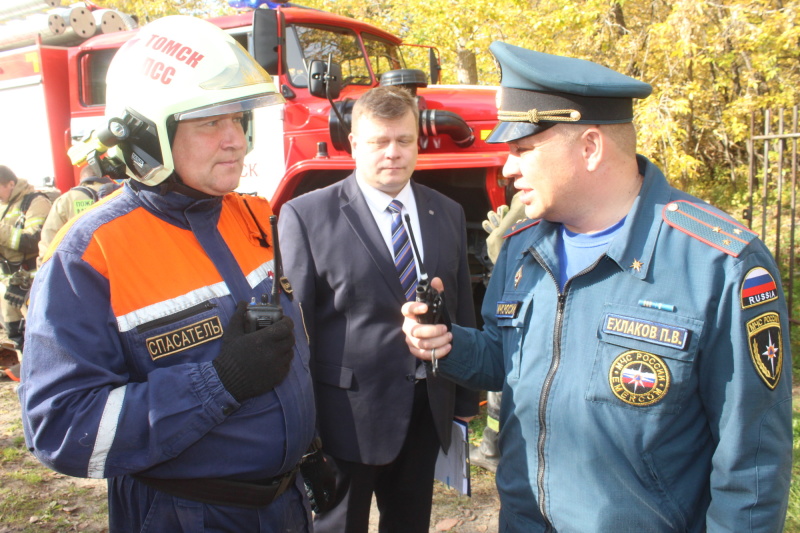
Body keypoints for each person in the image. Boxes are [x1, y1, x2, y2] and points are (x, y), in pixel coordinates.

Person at [402, 42, 792, 532]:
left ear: (590, 147)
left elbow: (751, 466)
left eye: (522, 150)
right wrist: (447, 342)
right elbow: (507, 362)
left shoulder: (719, 264)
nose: (507, 168)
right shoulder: (523, 247)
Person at [19, 16, 317, 532]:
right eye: (208, 123)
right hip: (185, 516)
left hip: (286, 506)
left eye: (238, 120)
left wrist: (309, 448)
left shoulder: (248, 212)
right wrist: (217, 382)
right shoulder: (91, 254)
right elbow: (61, 429)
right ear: (146, 136)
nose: (235, 142)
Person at [279, 85, 478, 533]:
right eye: (378, 142)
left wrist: (463, 401)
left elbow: (463, 308)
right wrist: (302, 423)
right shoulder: (306, 216)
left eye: (404, 140)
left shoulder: (445, 211)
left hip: (426, 411)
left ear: (418, 142)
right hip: (343, 419)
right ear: (353, 144)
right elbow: (297, 329)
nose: (393, 153)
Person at [470, 192, 526, 473]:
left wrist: (498, 253)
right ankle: (491, 447)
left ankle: (491, 449)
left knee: (504, 366)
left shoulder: (533, 195)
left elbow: (496, 243)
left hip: (517, 288)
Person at [0, 165, 51, 352]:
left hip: (29, 283)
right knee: (16, 336)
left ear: (11, 184)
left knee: (38, 336)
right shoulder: (3, 205)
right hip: (7, 286)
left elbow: (33, 240)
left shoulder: (35, 202)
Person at [37, 165, 119, 266]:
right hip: (117, 266)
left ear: (82, 179)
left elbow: (48, 241)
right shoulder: (120, 194)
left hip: (80, 269)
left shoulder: (66, 200)